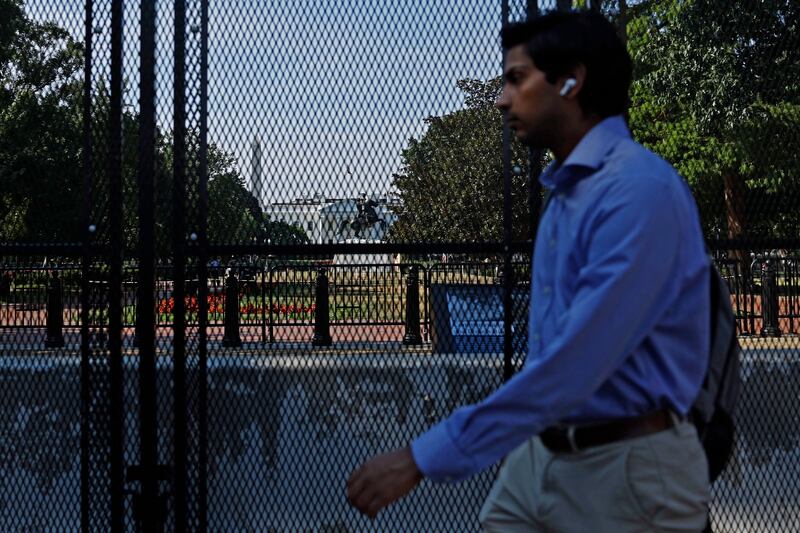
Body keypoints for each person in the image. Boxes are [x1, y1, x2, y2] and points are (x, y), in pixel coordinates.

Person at [346, 10, 710, 531]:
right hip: (542, 455)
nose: (500, 98)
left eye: (516, 79)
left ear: (572, 80)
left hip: (628, 469)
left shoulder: (638, 192)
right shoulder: (566, 197)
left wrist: (422, 456)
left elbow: (573, 365)